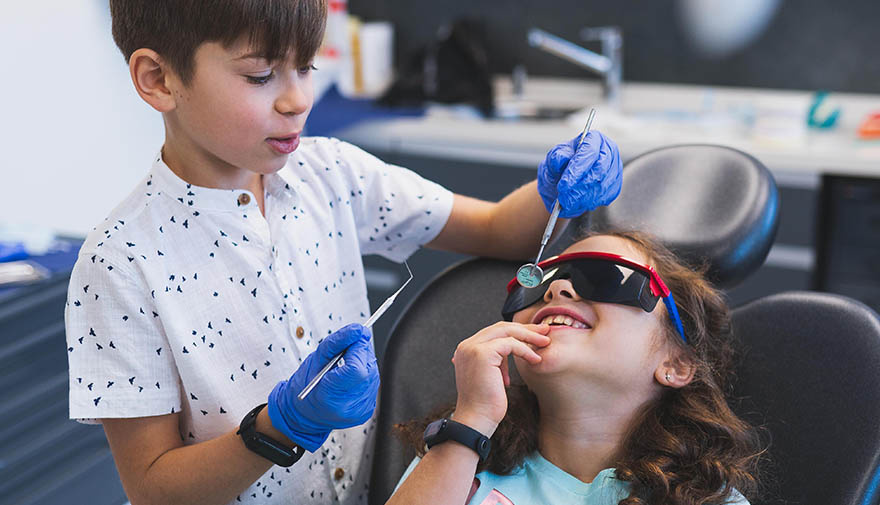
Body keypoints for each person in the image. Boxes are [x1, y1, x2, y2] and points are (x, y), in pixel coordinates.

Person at [65, 1, 622, 505]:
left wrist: (553, 191)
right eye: (260, 76)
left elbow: (497, 230)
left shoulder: (331, 174)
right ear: (158, 79)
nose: (298, 100)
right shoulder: (120, 263)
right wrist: (279, 428)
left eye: (306, 66)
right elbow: (154, 489)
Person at [389, 230, 765, 505]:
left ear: (677, 363)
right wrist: (472, 419)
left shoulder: (706, 499)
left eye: (605, 278)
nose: (557, 290)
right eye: (540, 284)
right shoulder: (460, 457)